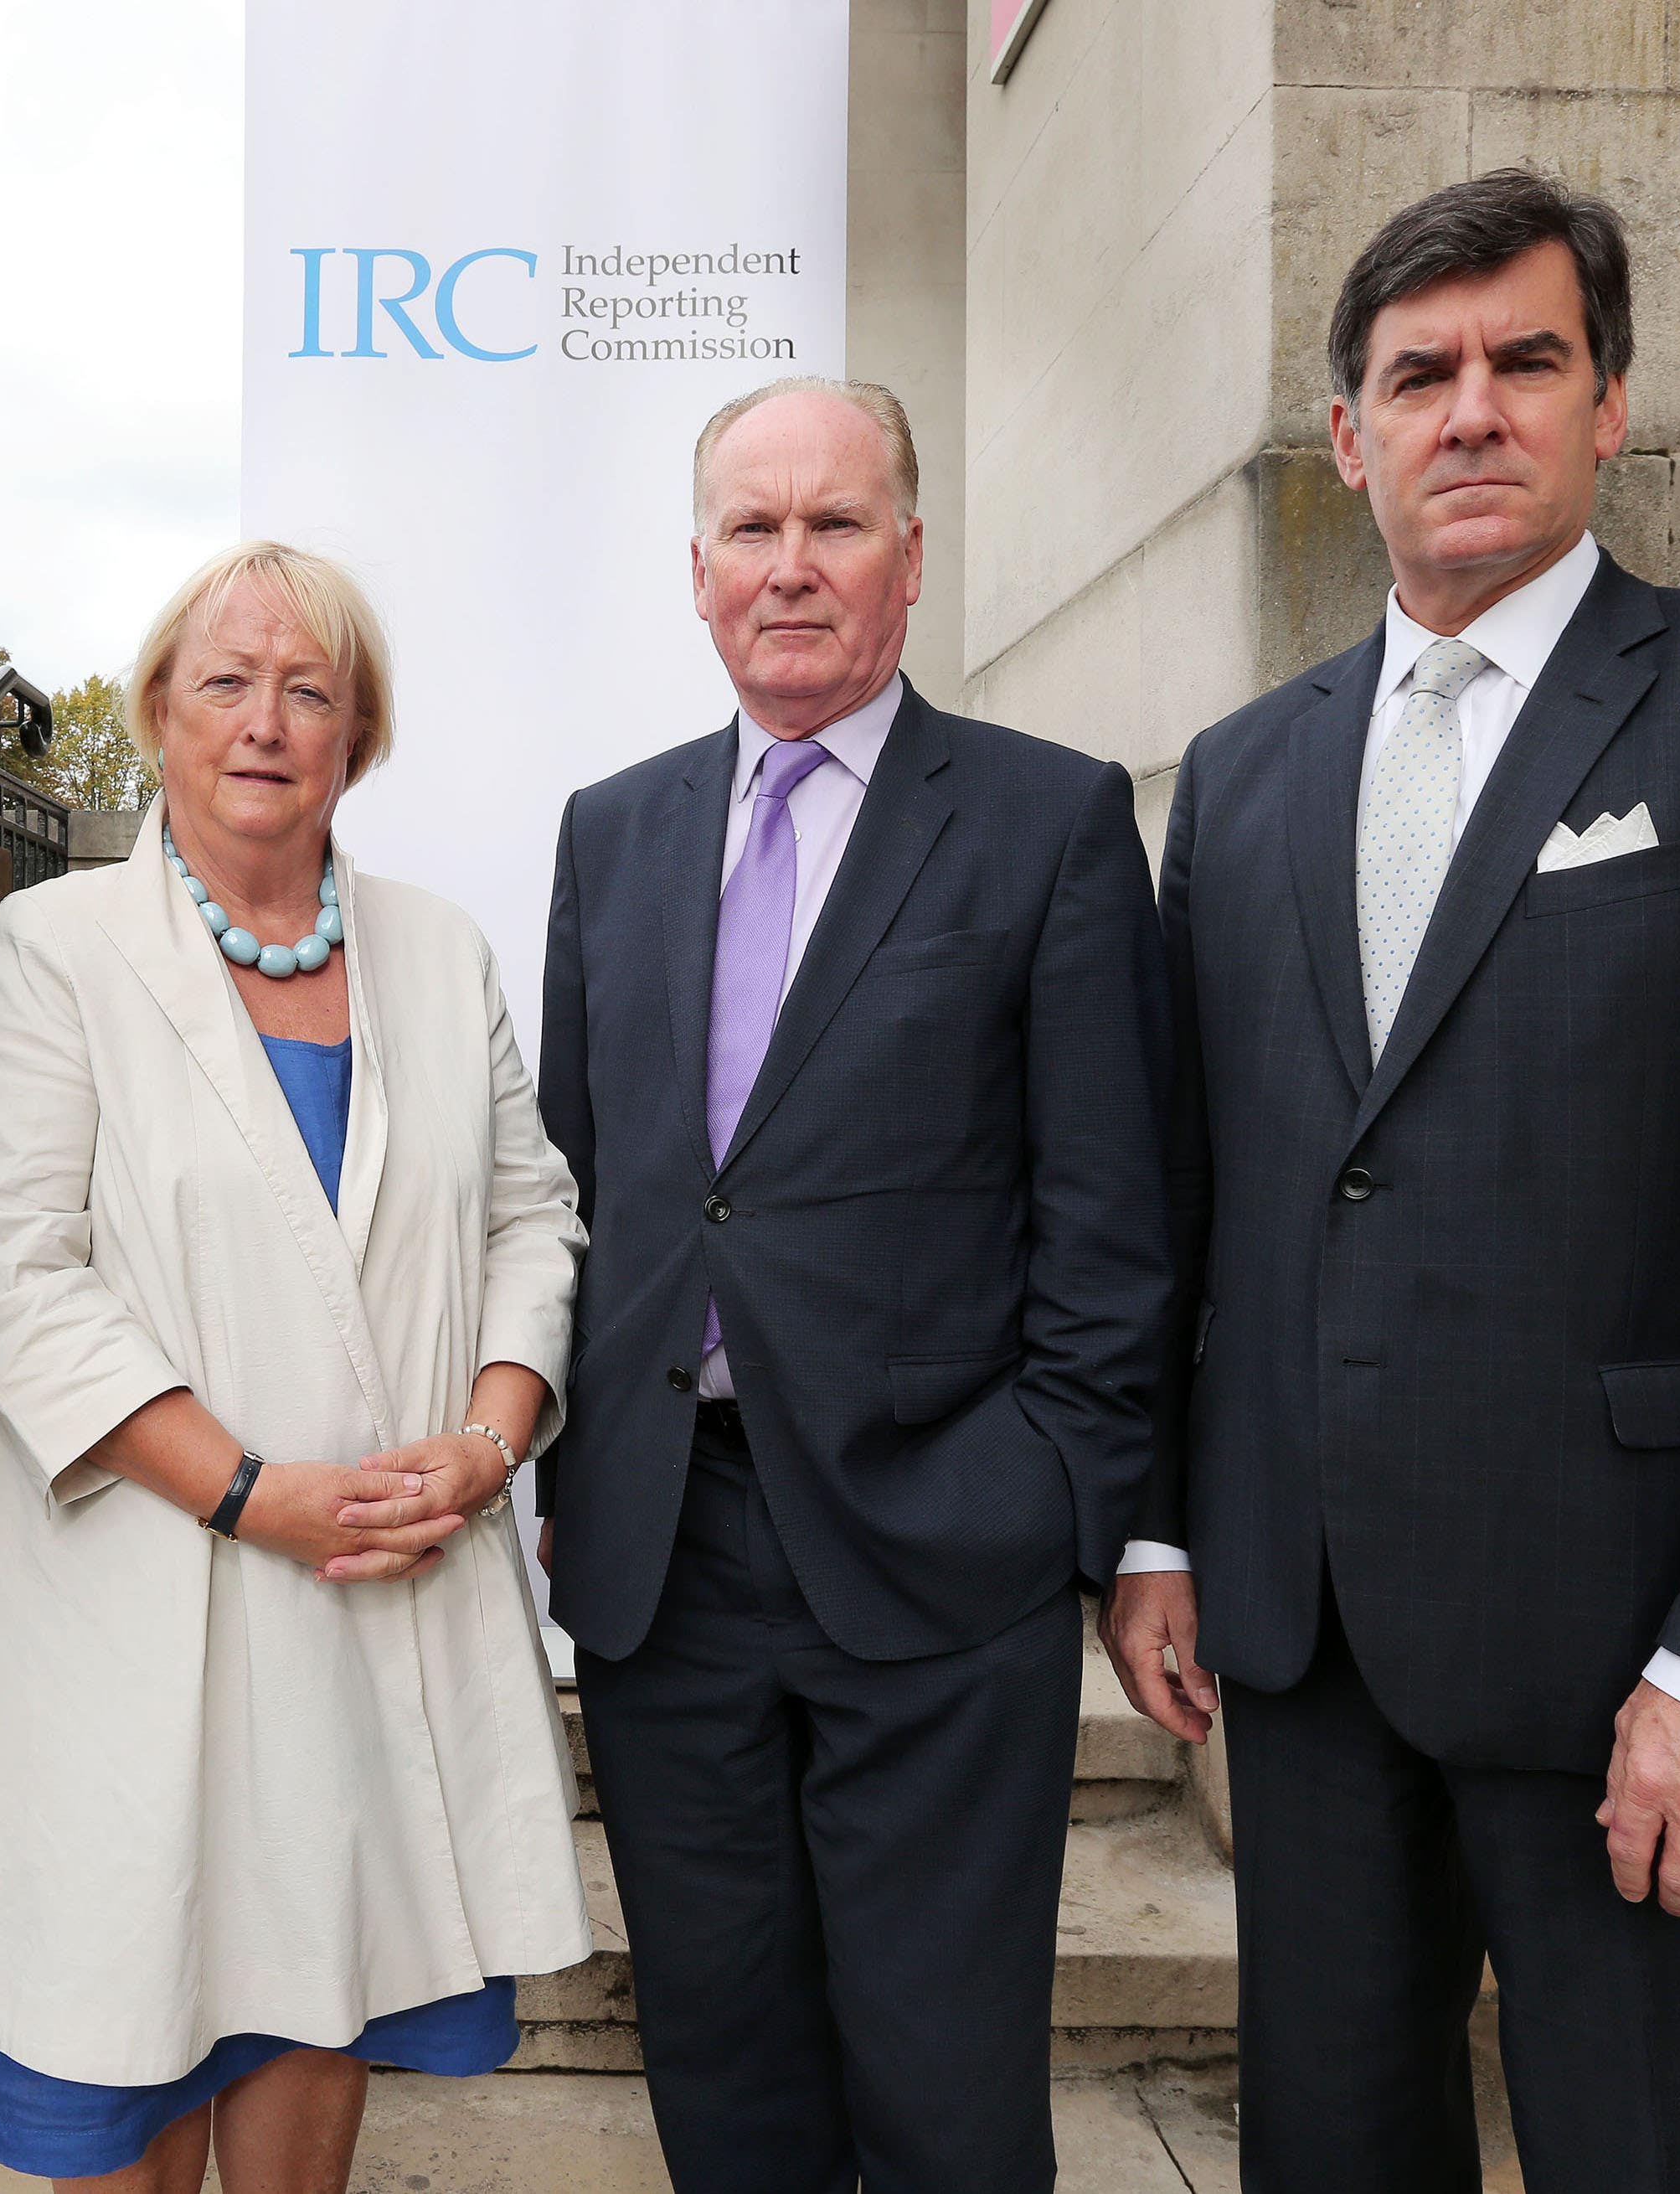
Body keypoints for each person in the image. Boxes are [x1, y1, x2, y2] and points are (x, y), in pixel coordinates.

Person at [1100, 169, 1680, 2191]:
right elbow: (1208, 1190)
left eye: (1527, 358)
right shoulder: (1241, 775)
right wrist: (1158, 1522)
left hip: (1648, 1669)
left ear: (1609, 405)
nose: (1470, 409)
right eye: (1417, 374)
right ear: (1347, 439)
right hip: (1312, 1664)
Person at [0, 541, 592, 2194]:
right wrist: (251, 1491)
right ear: (157, 710)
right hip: (145, 1599)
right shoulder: (59, 951)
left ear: (357, 731)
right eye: (224, 681)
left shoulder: (434, 953)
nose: (264, 721)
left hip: (387, 1579)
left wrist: (482, 1441)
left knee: (321, 2006)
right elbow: (15, 1275)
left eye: (307, 688)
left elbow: (535, 1217)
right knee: (123, 2041)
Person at [535, 378, 1177, 2191]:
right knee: (724, 2075)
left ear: (909, 557)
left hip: (933, 1554)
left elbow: (1110, 1215)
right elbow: (576, 1189)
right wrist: (575, 1474)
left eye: (834, 524)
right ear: (696, 571)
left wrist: (1054, 1497)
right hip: (669, 1558)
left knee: (944, 2092)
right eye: (752, 528)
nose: (790, 566)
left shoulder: (1044, 823)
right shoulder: (613, 831)